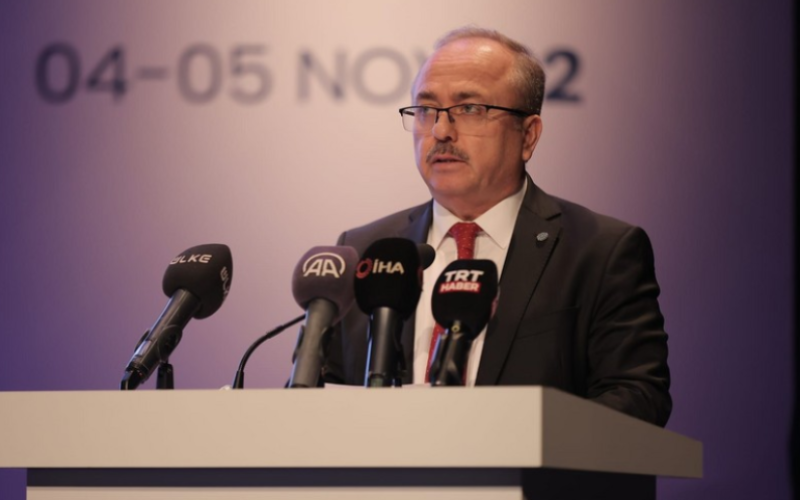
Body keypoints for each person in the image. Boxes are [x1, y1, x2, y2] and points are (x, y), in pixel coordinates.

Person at [322, 26, 671, 427]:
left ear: (528, 136)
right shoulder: (366, 251)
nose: (440, 131)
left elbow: (638, 398)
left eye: (470, 108)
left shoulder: (599, 252)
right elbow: (322, 398)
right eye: (426, 110)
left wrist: (513, 437)